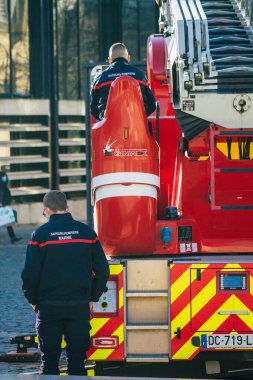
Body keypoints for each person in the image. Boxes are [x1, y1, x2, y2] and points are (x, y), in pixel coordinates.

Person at [21, 190, 109, 375]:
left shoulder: (39, 235)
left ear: (46, 210)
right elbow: (103, 270)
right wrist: (92, 296)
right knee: (77, 362)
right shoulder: (87, 233)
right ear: (67, 208)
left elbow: (30, 274)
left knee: (49, 362)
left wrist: (33, 300)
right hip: (78, 306)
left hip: (48, 306)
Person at [91, 42, 156, 121]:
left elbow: (93, 109)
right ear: (128, 58)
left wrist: (103, 119)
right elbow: (152, 105)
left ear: (109, 60)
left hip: (110, 128)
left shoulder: (100, 78)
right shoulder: (140, 75)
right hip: (137, 127)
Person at [0, 171, 21, 244]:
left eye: (5, 176)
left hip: (4, 205)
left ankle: (13, 237)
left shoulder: (3, 185)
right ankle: (13, 237)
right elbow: (1, 194)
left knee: (8, 222)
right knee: (7, 220)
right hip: (2, 205)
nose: (4, 178)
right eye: (3, 176)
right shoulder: (1, 185)